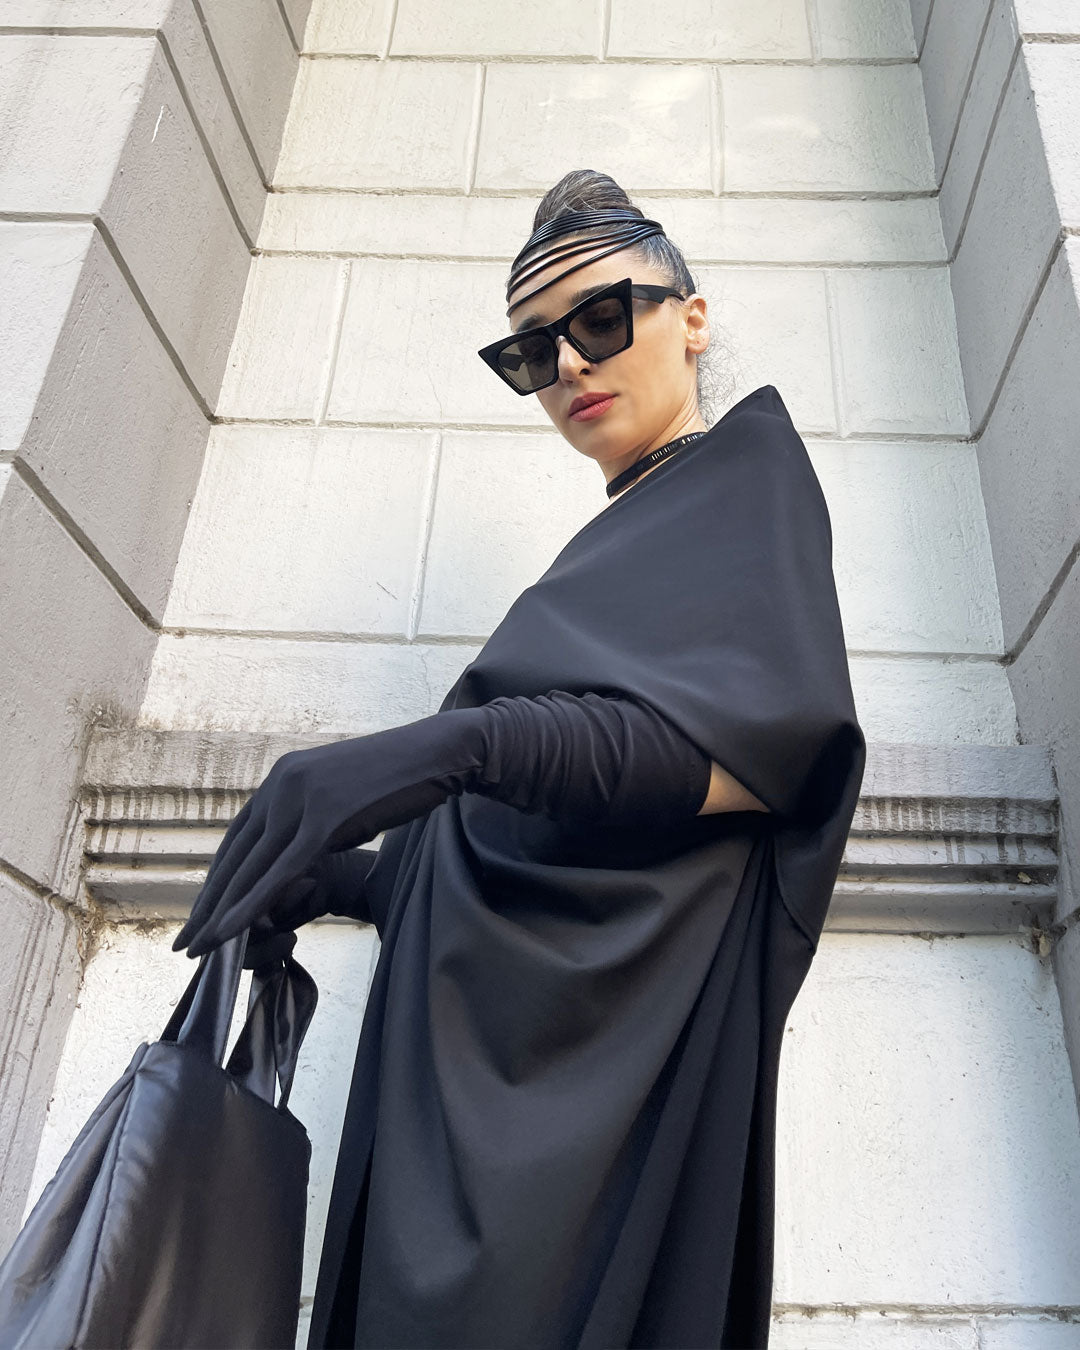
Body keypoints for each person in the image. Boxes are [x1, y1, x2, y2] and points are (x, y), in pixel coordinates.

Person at [172, 168, 866, 1349]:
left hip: (568, 1147)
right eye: (534, 351)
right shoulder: (628, 537)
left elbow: (750, 761)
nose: (570, 366)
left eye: (602, 319)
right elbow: (539, 852)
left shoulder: (746, 483)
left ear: (692, 318)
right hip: (447, 1106)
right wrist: (346, 880)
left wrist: (452, 746)